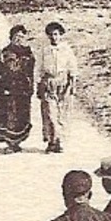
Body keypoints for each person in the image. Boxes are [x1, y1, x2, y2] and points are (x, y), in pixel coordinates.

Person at [0, 24, 37, 153]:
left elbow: (31, 72)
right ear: (11, 38)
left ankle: (17, 142)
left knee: (22, 116)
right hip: (6, 89)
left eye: (21, 36)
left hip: (23, 90)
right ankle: (10, 143)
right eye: (16, 37)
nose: (19, 39)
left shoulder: (29, 53)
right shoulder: (3, 52)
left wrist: (32, 87)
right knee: (7, 117)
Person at [35, 21, 78, 154]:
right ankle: (51, 141)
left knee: (62, 114)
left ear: (60, 35)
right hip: (48, 82)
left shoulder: (66, 49)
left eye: (56, 34)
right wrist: (38, 85)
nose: (54, 37)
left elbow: (73, 68)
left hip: (63, 82)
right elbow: (39, 68)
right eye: (51, 35)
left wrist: (72, 85)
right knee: (49, 113)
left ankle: (59, 141)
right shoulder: (44, 50)